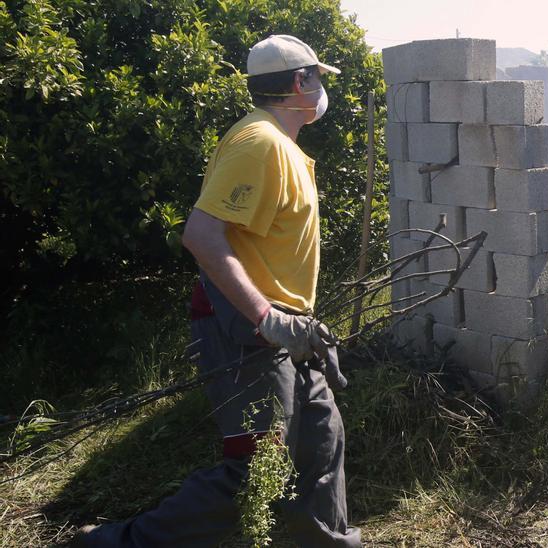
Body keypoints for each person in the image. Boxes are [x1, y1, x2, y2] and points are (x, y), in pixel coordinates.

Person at [76, 34, 361, 547]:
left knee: (321, 440)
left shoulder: (283, 145)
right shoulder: (260, 143)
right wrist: (267, 319)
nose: (322, 89)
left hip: (287, 327)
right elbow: (201, 234)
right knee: (255, 470)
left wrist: (296, 323)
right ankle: (115, 543)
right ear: (300, 81)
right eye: (318, 77)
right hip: (248, 327)